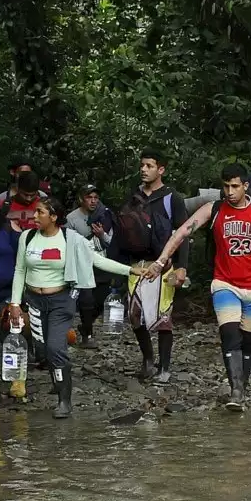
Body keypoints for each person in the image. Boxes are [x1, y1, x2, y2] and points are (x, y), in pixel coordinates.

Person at [145, 163, 251, 411]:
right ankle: (236, 392)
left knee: (248, 340)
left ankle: (242, 385)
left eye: (235, 186)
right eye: (226, 186)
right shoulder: (214, 209)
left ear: (246, 186)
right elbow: (182, 232)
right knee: (229, 334)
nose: (230, 191)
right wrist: (161, 261)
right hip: (225, 283)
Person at [7, 197, 133, 418]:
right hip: (34, 301)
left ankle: (64, 401)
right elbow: (19, 271)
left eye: (40, 213)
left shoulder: (70, 239)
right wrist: (15, 303)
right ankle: (58, 381)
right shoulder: (27, 238)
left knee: (56, 347)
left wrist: (131, 271)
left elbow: (96, 259)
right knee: (43, 349)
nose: (34, 217)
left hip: (61, 300)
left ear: (54, 217)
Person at [108, 149, 189, 383]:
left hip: (164, 264)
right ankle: (147, 359)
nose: (144, 169)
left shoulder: (171, 197)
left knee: (163, 317)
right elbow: (123, 230)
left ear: (161, 169)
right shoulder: (133, 196)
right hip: (137, 264)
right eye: (142, 165)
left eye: (150, 166)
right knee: (135, 315)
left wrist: (182, 266)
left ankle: (164, 366)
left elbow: (183, 232)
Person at [66, 184, 111, 347]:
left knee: (102, 298)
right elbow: (67, 242)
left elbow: (113, 241)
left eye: (95, 198)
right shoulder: (72, 218)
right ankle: (88, 335)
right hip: (81, 264)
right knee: (86, 300)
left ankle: (86, 326)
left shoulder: (105, 215)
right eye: (89, 197)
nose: (93, 201)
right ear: (81, 199)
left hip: (102, 262)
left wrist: (102, 235)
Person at [0, 202, 19, 407]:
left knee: (12, 337)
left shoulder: (8, 228)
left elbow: (22, 259)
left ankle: (17, 385)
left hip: (6, 293)